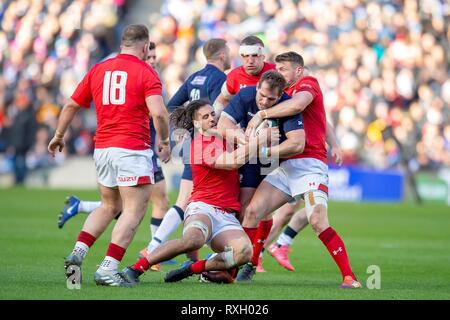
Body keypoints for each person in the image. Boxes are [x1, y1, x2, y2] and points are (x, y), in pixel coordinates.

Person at [48, 24, 170, 287]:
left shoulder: (99, 69)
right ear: (146, 46)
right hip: (132, 148)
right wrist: (165, 140)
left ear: (121, 43)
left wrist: (59, 135)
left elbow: (71, 104)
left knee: (109, 206)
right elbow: (159, 113)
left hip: (102, 148)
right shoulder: (146, 71)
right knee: (134, 210)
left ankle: (77, 254)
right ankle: (107, 269)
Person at [242, 51, 362, 288]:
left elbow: (300, 105)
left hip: (309, 166)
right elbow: (322, 118)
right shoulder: (282, 93)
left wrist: (261, 115)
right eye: (277, 68)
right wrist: (334, 142)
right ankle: (247, 264)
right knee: (254, 211)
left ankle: (350, 277)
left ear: (297, 70)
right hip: (286, 163)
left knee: (317, 220)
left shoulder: (308, 84)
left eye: (283, 69)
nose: (279, 72)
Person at [120, 99, 259, 285]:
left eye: (212, 114)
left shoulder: (226, 137)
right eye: (205, 116)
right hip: (203, 207)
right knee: (193, 240)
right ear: (196, 123)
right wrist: (258, 141)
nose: (212, 119)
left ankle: (192, 268)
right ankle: (135, 269)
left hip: (227, 214)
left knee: (244, 253)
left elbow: (246, 140)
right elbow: (234, 162)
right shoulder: (200, 145)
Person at [140, 38, 231, 264]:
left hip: (192, 144)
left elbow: (171, 106)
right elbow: (215, 112)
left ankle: (192, 257)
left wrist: (184, 131)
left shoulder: (194, 77)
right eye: (229, 54)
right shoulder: (220, 78)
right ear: (222, 55)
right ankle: (152, 248)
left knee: (193, 201)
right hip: (209, 147)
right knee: (185, 201)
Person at [217, 70, 304, 281]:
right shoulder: (245, 95)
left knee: (255, 210)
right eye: (261, 96)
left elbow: (297, 143)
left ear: (281, 95)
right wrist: (245, 138)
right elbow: (223, 125)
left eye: (271, 99)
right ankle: (245, 259)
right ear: (256, 88)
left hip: (277, 162)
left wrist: (266, 150)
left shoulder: (288, 105)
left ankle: (243, 262)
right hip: (250, 158)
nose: (264, 102)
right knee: (245, 209)